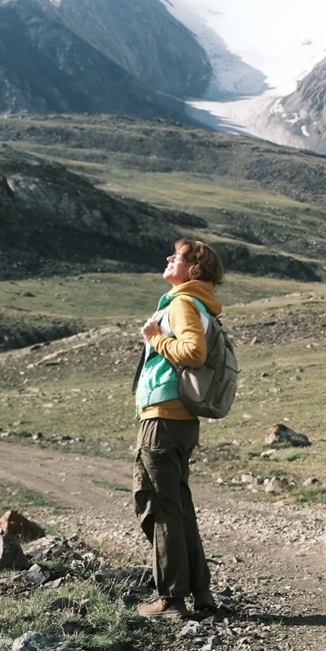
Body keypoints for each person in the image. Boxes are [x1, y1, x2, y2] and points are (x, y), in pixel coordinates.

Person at [132, 238, 225, 619]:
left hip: (163, 419)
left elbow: (193, 353)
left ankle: (171, 599)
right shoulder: (197, 303)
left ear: (194, 270)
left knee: (157, 504)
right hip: (179, 420)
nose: (170, 258)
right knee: (179, 507)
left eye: (179, 256)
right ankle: (199, 593)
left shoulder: (183, 303)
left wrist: (155, 337)